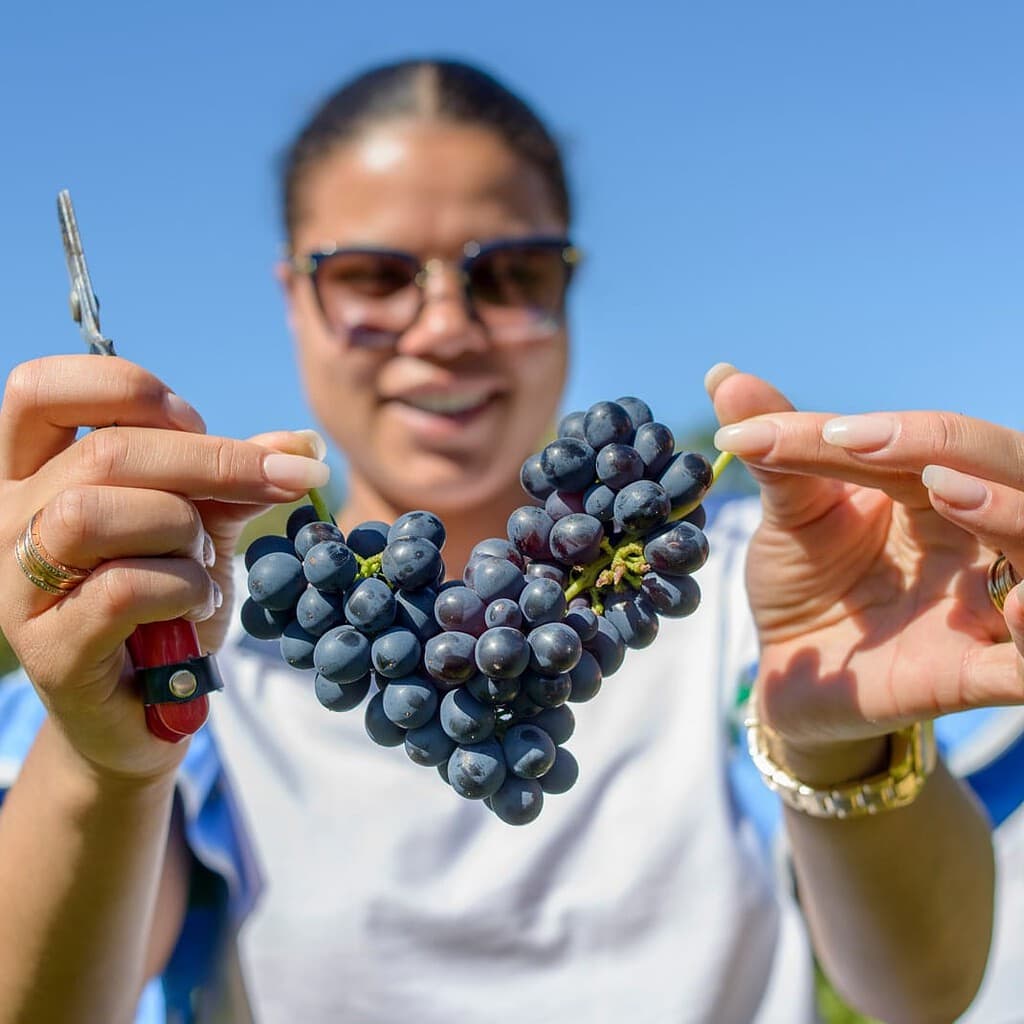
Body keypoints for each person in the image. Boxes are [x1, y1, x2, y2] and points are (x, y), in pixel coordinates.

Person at [0, 57, 1020, 1024]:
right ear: (294, 296)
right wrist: (108, 760)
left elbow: (922, 993)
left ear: (566, 286)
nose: (444, 325)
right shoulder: (190, 634)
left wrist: (842, 740)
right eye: (371, 275)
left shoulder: (771, 583)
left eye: (510, 272)